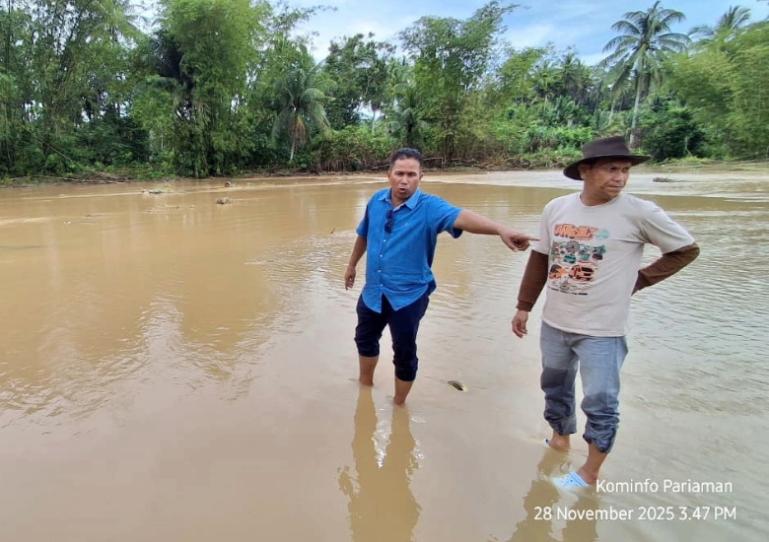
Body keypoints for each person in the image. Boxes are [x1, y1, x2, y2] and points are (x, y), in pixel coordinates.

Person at [511, 136, 700, 489]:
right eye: (612, 169)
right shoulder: (557, 208)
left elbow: (686, 249)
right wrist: (524, 306)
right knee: (554, 386)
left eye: (625, 170)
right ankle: (559, 439)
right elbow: (541, 257)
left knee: (600, 401)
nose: (620, 177)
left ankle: (588, 473)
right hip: (555, 321)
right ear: (586, 171)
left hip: (603, 329)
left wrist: (640, 279)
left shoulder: (640, 212)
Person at [345, 147, 535, 405]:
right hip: (373, 292)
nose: (404, 180)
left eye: (411, 174)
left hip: (409, 296)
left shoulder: (430, 207)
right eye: (399, 173)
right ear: (388, 174)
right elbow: (364, 234)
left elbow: (463, 217)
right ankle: (365, 385)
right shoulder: (376, 201)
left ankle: (399, 403)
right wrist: (352, 264)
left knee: (404, 351)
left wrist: (500, 228)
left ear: (421, 176)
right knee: (364, 339)